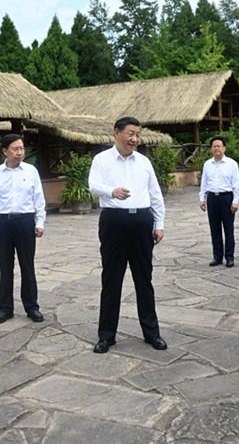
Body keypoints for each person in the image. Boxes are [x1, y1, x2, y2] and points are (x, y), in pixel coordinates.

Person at [89, 116, 167, 353]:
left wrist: (159, 223)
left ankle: (152, 333)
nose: (135, 139)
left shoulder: (144, 162)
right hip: (114, 220)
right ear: (116, 133)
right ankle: (106, 336)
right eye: (131, 133)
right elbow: (93, 185)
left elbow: (155, 193)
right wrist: (111, 191)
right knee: (111, 278)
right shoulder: (102, 160)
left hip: (142, 221)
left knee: (144, 278)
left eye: (138, 134)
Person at [0, 134, 46, 325]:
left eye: (21, 148)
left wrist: (40, 222)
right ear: (5, 151)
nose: (20, 152)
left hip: (25, 222)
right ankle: (5, 309)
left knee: (27, 267)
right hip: (3, 222)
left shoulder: (31, 171)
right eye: (15, 149)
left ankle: (32, 307)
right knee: (5, 267)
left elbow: (39, 199)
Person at [199, 136, 239, 267]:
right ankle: (217, 256)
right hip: (212, 198)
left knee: (228, 229)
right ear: (211, 149)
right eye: (214, 146)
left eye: (219, 146)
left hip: (226, 198)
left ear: (224, 148)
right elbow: (204, 183)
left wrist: (235, 201)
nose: (216, 148)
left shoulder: (231, 164)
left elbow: (236, 184)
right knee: (214, 228)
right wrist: (202, 198)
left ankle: (229, 257)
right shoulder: (207, 164)